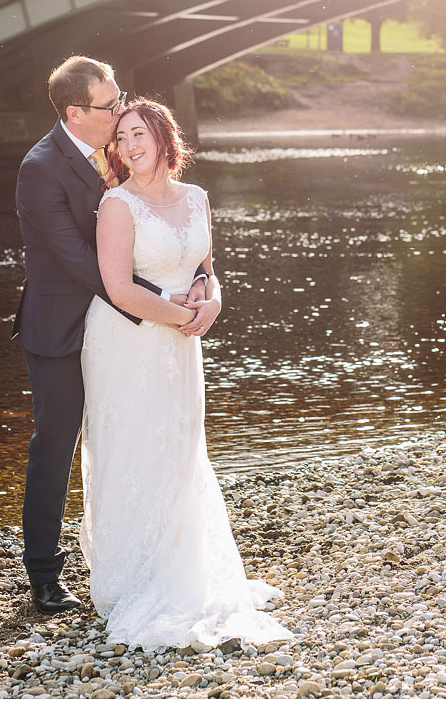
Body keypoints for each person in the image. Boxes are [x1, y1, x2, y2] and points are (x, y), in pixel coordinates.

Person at [79, 98, 291, 650]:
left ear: (163, 138)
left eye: (138, 134)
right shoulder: (116, 205)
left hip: (180, 343)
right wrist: (184, 318)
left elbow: (206, 271)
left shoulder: (197, 199)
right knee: (132, 447)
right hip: (127, 341)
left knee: (178, 446)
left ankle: (182, 559)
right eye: (120, 138)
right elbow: (119, 287)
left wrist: (212, 304)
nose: (128, 146)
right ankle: (130, 575)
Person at [12, 57, 208, 615]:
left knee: (134, 436)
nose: (120, 109)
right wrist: (162, 301)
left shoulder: (120, 155)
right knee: (56, 443)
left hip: (123, 330)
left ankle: (149, 554)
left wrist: (195, 281)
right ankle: (45, 575)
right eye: (109, 104)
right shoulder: (41, 167)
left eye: (121, 99)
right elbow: (80, 262)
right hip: (61, 328)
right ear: (76, 112)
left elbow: (163, 228)